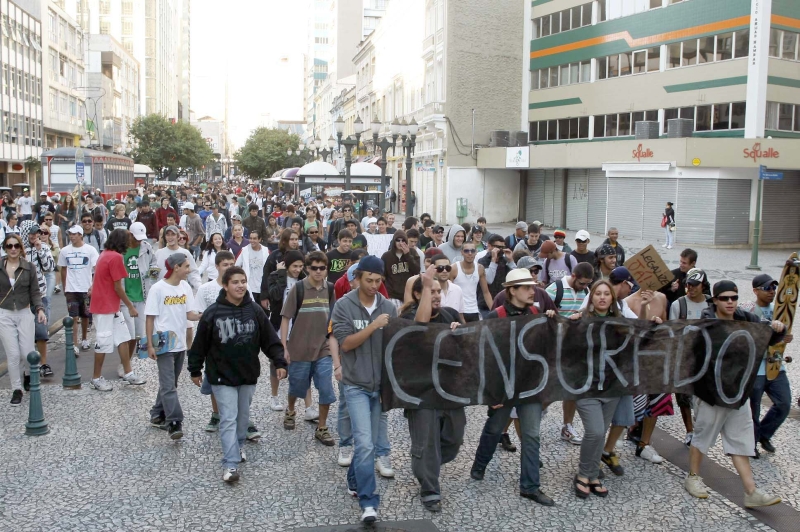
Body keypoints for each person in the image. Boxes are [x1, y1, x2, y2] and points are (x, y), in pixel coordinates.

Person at [685, 280, 784, 507]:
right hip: (711, 392)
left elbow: (768, 335)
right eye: (725, 298)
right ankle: (692, 477)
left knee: (741, 439)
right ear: (715, 300)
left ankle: (751, 491)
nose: (730, 302)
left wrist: (779, 328)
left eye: (734, 298)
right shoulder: (707, 322)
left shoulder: (746, 318)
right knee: (703, 436)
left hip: (738, 393)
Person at [188, 266, 287, 483]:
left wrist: (279, 361)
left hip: (247, 374)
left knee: (242, 419)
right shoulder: (213, 312)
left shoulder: (255, 311)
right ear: (225, 286)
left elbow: (270, 340)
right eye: (235, 282)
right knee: (228, 418)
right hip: (221, 375)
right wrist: (194, 369)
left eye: (243, 281)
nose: (240, 285)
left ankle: (239, 445)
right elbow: (199, 344)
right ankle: (230, 464)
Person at [470, 268, 557, 507]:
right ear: (512, 291)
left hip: (529, 386)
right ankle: (479, 465)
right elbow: (482, 357)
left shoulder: (537, 312)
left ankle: (529, 486)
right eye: (527, 288)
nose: (533, 291)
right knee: (494, 428)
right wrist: (491, 392)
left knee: (532, 435)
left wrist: (551, 323)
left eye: (533, 286)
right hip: (503, 387)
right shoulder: (494, 317)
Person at [569, 279, 651, 499]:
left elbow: (640, 333)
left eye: (607, 294)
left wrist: (645, 310)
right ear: (592, 298)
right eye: (598, 293)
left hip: (611, 388)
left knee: (600, 433)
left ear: (612, 299)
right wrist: (555, 317)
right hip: (586, 387)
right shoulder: (580, 320)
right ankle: (583, 474)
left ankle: (593, 474)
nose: (603, 297)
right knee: (595, 431)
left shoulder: (620, 321)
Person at [331, 255, 398, 524]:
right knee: (365, 442)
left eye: (377, 281)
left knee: (367, 445)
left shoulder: (389, 308)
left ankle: (353, 479)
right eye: (368, 280)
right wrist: (373, 326)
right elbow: (345, 344)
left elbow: (394, 348)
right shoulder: (343, 306)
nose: (373, 285)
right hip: (355, 385)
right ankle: (369, 503)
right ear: (357, 278)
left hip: (380, 385)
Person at [400, 267, 465, 512]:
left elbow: (468, 347)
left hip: (449, 391)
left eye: (438, 291)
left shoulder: (449, 314)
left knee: (454, 438)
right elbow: (421, 329)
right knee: (426, 443)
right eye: (431, 291)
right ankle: (429, 488)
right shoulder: (407, 318)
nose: (437, 295)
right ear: (418, 295)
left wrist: (460, 335)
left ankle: (426, 462)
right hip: (421, 393)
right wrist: (426, 285)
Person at [280, 251, 338, 445]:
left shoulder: (330, 289)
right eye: (314, 268)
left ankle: (322, 427)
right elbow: (286, 317)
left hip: (323, 348)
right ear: (307, 269)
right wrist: (284, 347)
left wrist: (334, 346)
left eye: (322, 268)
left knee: (326, 388)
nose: (319, 271)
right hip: (299, 348)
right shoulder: (298, 289)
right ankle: (290, 410)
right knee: (297, 386)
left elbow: (333, 320)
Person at [145, 253, 201, 440]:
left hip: (180, 345)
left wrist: (205, 314)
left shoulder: (185, 287)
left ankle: (156, 413)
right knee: (169, 385)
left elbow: (189, 314)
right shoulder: (158, 289)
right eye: (186, 266)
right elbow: (150, 317)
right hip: (164, 345)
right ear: (176, 267)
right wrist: (150, 346)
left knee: (171, 383)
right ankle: (174, 422)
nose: (189, 270)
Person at [740, 273, 793, 457]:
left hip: (776, 365)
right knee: (754, 408)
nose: (772, 291)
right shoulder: (747, 308)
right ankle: (750, 443)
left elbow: (784, 332)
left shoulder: (780, 309)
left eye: (773, 288)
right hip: (756, 366)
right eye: (767, 288)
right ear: (755, 290)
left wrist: (785, 337)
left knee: (784, 403)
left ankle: (764, 434)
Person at [543, 262, 594, 445]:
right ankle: (533, 414)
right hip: (552, 347)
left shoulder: (586, 292)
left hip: (573, 348)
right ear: (573, 276)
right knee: (550, 388)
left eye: (587, 284)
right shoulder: (554, 289)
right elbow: (542, 315)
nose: (584, 287)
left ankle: (567, 426)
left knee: (572, 389)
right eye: (582, 283)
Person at [88, 228, 145, 391]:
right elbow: (118, 287)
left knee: (123, 337)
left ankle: (128, 373)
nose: (129, 242)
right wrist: (130, 306)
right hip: (105, 307)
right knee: (103, 343)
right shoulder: (116, 257)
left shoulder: (105, 253)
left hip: (109, 306)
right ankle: (96, 378)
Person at [667, 267, 712, 446]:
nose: (691, 288)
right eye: (688, 285)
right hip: (684, 359)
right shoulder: (679, 304)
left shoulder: (711, 303)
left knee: (704, 398)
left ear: (703, 285)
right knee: (683, 398)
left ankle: (701, 427)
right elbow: (672, 330)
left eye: (695, 285)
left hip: (706, 358)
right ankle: (690, 431)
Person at [1, 234, 47, 406]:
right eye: (9, 246)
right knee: (12, 355)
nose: (13, 249)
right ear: (5, 248)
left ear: (21, 248)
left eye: (16, 246)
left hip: (25, 312)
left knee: (27, 353)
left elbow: (35, 291)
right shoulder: (0, 266)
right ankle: (17, 389)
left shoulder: (29, 267)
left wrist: (40, 309)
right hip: (5, 314)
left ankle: (27, 374)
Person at [120, 223, 154, 378]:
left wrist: (152, 273)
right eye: (136, 238)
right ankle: (125, 366)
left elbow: (153, 262)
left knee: (137, 334)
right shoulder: (121, 248)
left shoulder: (146, 247)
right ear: (130, 235)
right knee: (127, 333)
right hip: (125, 295)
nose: (139, 241)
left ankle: (127, 361)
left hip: (141, 294)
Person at [59, 225, 100, 351]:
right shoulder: (64, 251)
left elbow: (96, 269)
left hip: (85, 287)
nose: (72, 236)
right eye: (70, 234)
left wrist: (93, 285)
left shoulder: (90, 250)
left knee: (86, 315)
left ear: (80, 235)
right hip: (71, 288)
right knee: (74, 316)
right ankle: (74, 344)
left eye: (75, 234)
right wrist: (65, 286)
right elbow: (63, 269)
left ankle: (84, 338)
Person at [22, 223, 55, 378]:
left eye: (37, 233)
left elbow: (49, 267)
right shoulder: (17, 248)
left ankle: (43, 363)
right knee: (24, 334)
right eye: (32, 233)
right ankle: (27, 367)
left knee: (41, 330)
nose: (35, 235)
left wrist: (40, 250)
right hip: (22, 298)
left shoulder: (43, 247)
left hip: (39, 295)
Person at [449, 241, 492, 323]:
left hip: (474, 311)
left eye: (472, 251)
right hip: (458, 311)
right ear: (462, 252)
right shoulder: (454, 268)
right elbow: (448, 291)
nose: (470, 253)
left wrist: (494, 311)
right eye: (466, 251)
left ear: (476, 252)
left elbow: (486, 293)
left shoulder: (480, 268)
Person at [477, 234, 516, 317]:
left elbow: (516, 278)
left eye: (503, 247)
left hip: (503, 304)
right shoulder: (482, 261)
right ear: (489, 246)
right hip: (485, 306)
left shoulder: (505, 261)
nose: (500, 250)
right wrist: (493, 261)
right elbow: (489, 280)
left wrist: (511, 261)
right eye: (498, 247)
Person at [381, 230, 420, 308]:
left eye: (403, 240)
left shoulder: (412, 252)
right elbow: (383, 276)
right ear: (394, 241)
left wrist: (407, 255)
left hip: (409, 292)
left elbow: (416, 270)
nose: (400, 242)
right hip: (393, 294)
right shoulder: (386, 256)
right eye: (398, 240)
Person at [235, 230, 269, 305]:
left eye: (255, 238)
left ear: (260, 239)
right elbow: (236, 266)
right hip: (249, 287)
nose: (252, 241)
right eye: (250, 238)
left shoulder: (266, 251)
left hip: (262, 288)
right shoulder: (244, 250)